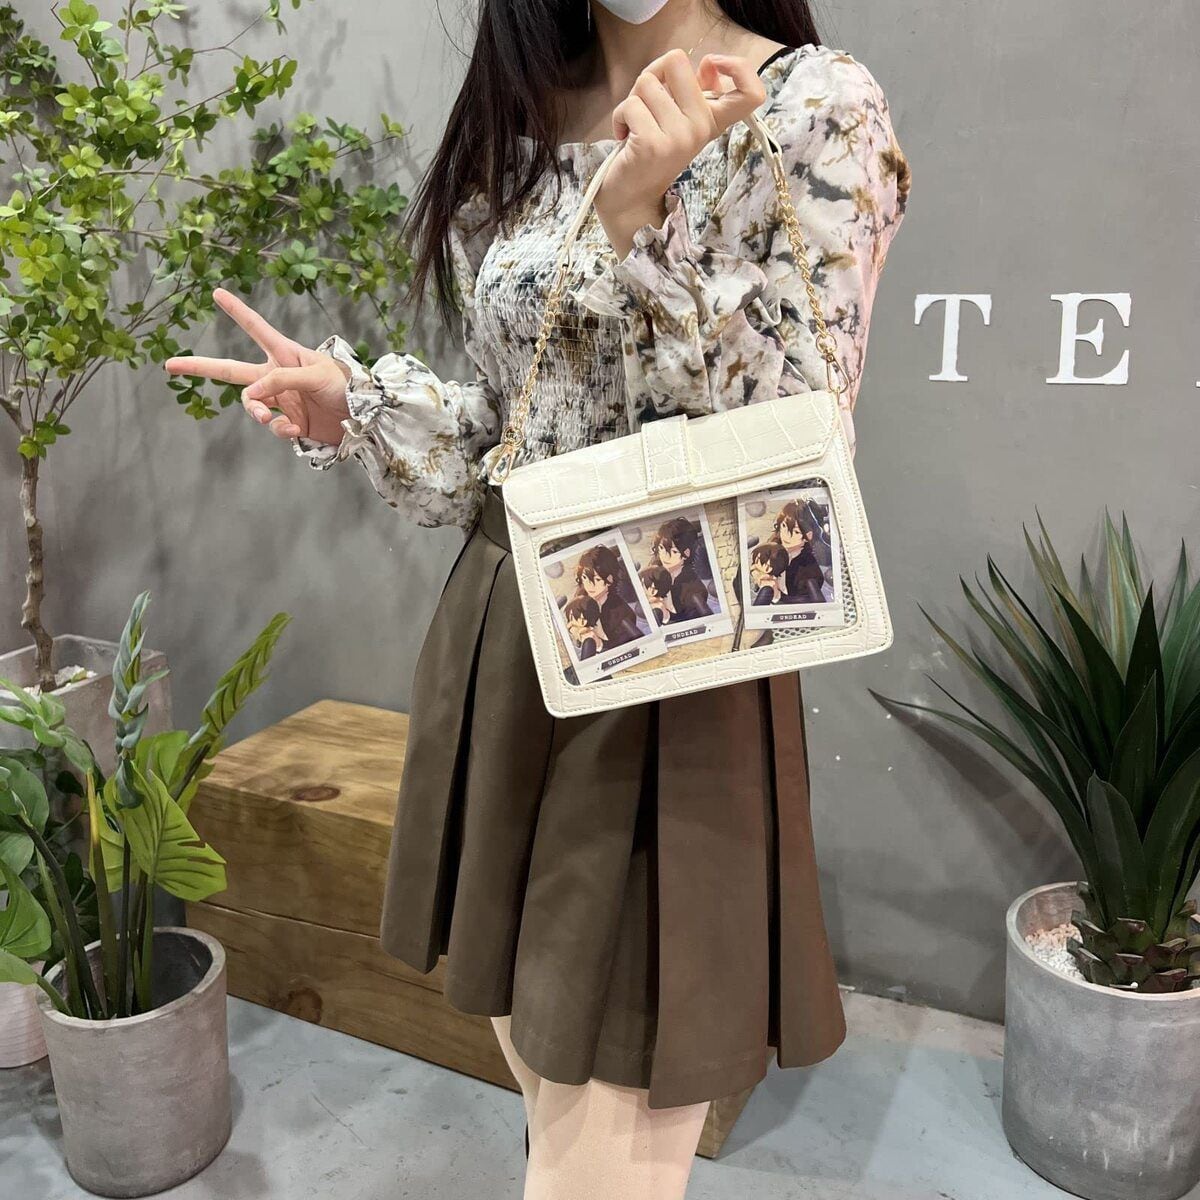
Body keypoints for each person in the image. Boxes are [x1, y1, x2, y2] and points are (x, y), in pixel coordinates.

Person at [165, 3, 911, 1196]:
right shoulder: (521, 115)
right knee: (546, 1079)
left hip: (667, 671)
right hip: (510, 644)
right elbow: (515, 439)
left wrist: (643, 221)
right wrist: (359, 410)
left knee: (603, 1137)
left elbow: (792, 442)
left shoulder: (812, 105)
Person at [651, 516, 713, 621]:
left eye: (673, 551)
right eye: (661, 548)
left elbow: (708, 618)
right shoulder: (657, 575)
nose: (664, 556)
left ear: (686, 553)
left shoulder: (693, 590)